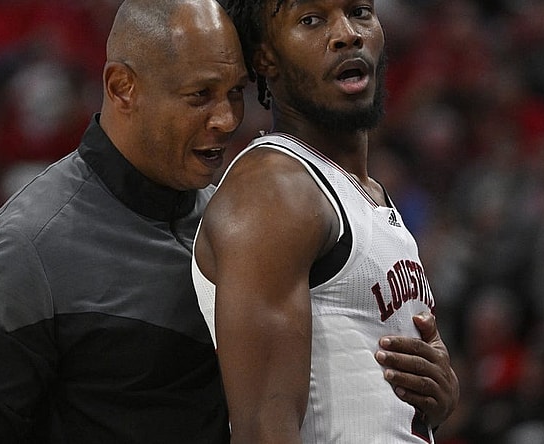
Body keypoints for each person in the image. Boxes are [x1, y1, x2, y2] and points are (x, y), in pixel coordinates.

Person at [0, 0, 456, 442]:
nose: (225, 120)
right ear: (122, 87)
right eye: (199, 96)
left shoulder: (229, 211)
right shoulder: (28, 248)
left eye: (234, 95)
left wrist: (423, 393)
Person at [191, 0, 458, 443]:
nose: (346, 34)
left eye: (360, 12)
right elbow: (262, 430)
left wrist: (439, 397)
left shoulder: (362, 193)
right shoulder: (274, 191)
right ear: (264, 57)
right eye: (311, 20)